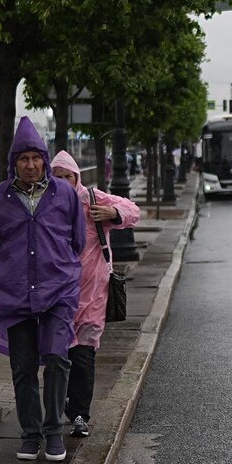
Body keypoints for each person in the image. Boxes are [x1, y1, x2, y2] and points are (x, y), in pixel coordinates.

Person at [0, 117, 85, 462]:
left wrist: (58, 264)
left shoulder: (64, 194)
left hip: (58, 289)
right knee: (22, 365)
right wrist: (10, 266)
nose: (30, 164)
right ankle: (31, 434)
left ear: (45, 159)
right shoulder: (0, 197)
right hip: (15, 292)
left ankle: (53, 432)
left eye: (36, 157)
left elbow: (78, 240)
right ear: (14, 162)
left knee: (57, 358)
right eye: (23, 158)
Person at [50, 151, 140, 437]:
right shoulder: (47, 204)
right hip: (58, 293)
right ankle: (62, 402)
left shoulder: (92, 198)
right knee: (59, 354)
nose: (63, 182)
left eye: (68, 176)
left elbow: (132, 210)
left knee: (84, 354)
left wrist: (113, 213)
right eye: (57, 177)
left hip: (93, 293)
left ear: (76, 177)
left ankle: (80, 413)